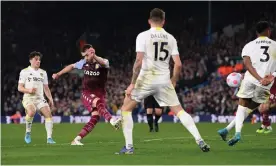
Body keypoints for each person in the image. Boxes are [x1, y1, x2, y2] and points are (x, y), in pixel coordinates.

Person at [116, 8, 210, 154]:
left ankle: (129, 147)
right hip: (164, 79)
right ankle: (200, 140)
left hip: (146, 79)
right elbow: (178, 64)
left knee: (125, 110)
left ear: (149, 21)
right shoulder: (170, 38)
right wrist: (174, 80)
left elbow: (138, 61)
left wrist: (132, 83)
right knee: (179, 111)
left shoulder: (143, 36)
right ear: (163, 21)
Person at [217, 21, 276, 146]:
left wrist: (257, 77)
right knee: (250, 109)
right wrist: (270, 77)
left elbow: (247, 64)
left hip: (250, 79)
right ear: (268, 31)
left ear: (256, 33)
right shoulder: (275, 45)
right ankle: (226, 130)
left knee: (242, 107)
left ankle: (235, 132)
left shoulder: (249, 45)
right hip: (266, 84)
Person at [52, 44, 122, 145]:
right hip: (87, 93)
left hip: (100, 94)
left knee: (95, 118)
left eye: (90, 53)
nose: (87, 56)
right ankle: (112, 120)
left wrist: (93, 55)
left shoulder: (104, 62)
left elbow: (103, 63)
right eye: (87, 54)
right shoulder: (83, 62)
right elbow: (71, 66)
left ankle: (77, 139)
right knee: (96, 101)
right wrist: (58, 74)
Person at [18, 51, 56, 144]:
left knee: (48, 114)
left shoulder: (43, 73)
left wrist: (50, 98)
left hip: (40, 99)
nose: (38, 61)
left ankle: (49, 138)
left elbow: (46, 88)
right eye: (36, 59)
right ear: (30, 60)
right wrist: (29, 90)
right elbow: (19, 87)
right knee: (31, 111)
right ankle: (28, 132)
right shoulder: (24, 72)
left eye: (39, 60)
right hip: (28, 98)